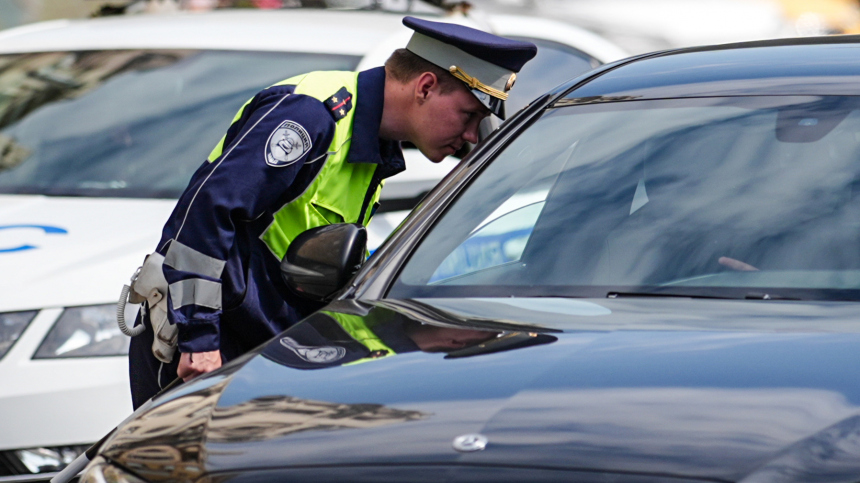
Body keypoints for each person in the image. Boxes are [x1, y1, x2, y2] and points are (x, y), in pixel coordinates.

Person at [128, 16, 538, 408]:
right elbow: (204, 217)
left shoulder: (374, 142)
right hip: (202, 350)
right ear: (426, 86)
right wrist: (200, 340)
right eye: (469, 115)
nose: (470, 134)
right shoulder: (312, 115)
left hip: (259, 349)